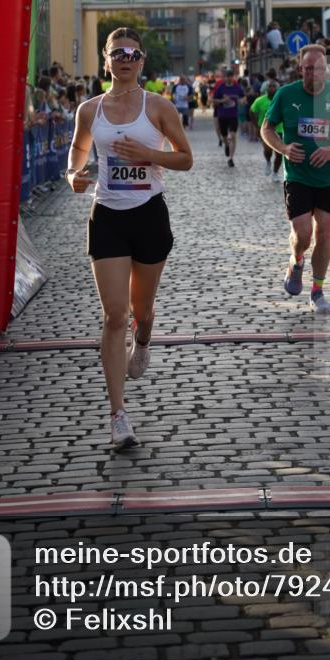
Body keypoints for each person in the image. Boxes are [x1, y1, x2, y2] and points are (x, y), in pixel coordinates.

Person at [65, 28, 192, 450]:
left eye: (132, 53)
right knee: (114, 315)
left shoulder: (158, 107)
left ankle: (145, 338)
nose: (125, 58)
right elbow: (77, 155)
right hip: (107, 218)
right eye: (117, 52)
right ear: (106, 60)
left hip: (150, 216)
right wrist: (74, 177)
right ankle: (118, 416)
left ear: (141, 61)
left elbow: (186, 158)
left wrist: (149, 155)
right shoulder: (90, 110)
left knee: (142, 310)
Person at [261, 45, 330, 315]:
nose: (313, 73)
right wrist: (283, 149)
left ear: (326, 70)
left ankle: (317, 290)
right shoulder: (286, 95)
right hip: (297, 175)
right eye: (308, 68)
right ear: (300, 69)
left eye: (319, 68)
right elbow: (267, 128)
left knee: (325, 232)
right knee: (303, 234)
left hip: (329, 176)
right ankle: (296, 261)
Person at [250, 79, 283, 182]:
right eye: (270, 86)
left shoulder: (281, 100)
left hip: (279, 130)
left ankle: (275, 173)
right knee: (268, 150)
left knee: (279, 153)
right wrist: (257, 126)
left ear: (277, 88)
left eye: (274, 86)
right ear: (266, 88)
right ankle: (268, 161)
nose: (272, 88)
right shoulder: (260, 100)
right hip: (265, 130)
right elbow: (252, 111)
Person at [213, 68, 245, 167]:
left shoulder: (237, 87)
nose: (228, 78)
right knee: (224, 136)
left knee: (233, 135)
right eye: (227, 76)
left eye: (230, 76)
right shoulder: (220, 88)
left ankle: (231, 158)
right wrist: (223, 100)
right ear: (224, 78)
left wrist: (242, 101)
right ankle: (226, 145)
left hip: (233, 115)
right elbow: (213, 100)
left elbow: (243, 97)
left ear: (233, 77)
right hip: (222, 115)